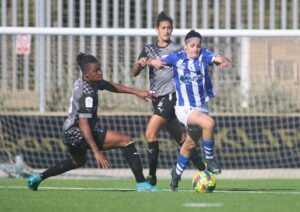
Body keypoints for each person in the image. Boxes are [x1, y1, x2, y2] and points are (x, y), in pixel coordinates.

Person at [27, 53, 160, 192]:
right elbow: (84, 123)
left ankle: (38, 177)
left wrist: (137, 92)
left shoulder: (89, 81)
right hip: (78, 131)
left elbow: (110, 86)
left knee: (77, 161)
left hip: (68, 130)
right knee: (126, 141)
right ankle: (142, 184)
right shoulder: (87, 93)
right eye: (96, 70)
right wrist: (96, 152)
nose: (100, 72)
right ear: (86, 74)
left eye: (99, 69)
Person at [131, 12, 205, 186]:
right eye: (163, 28)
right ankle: (204, 170)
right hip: (157, 100)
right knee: (183, 141)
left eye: (169, 28)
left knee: (150, 133)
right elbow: (134, 72)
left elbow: (193, 58)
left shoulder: (178, 49)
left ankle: (152, 176)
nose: (167, 31)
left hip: (171, 97)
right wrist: (145, 62)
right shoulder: (149, 49)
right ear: (157, 30)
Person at [151, 29, 231, 191]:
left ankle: (176, 175)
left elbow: (220, 57)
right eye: (192, 45)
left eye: (198, 46)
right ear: (186, 46)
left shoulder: (204, 56)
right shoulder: (177, 57)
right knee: (209, 123)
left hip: (201, 107)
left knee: (190, 143)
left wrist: (224, 60)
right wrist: (151, 62)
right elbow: (154, 60)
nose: (195, 49)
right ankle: (210, 160)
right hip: (184, 108)